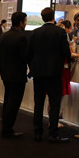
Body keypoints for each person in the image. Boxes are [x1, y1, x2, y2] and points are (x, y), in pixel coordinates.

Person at [27, 7, 72, 143]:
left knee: (38, 103)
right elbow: (66, 52)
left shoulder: (34, 32)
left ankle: (37, 132)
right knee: (54, 104)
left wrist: (33, 67)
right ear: (53, 17)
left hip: (38, 73)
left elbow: (29, 54)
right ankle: (53, 133)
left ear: (42, 18)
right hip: (54, 73)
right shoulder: (60, 32)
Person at [0, 11, 28, 138]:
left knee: (7, 101)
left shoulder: (3, 36)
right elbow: (25, 56)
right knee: (14, 103)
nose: (26, 24)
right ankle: (8, 129)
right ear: (21, 23)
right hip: (17, 75)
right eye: (25, 21)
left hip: (5, 73)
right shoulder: (21, 37)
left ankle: (6, 127)